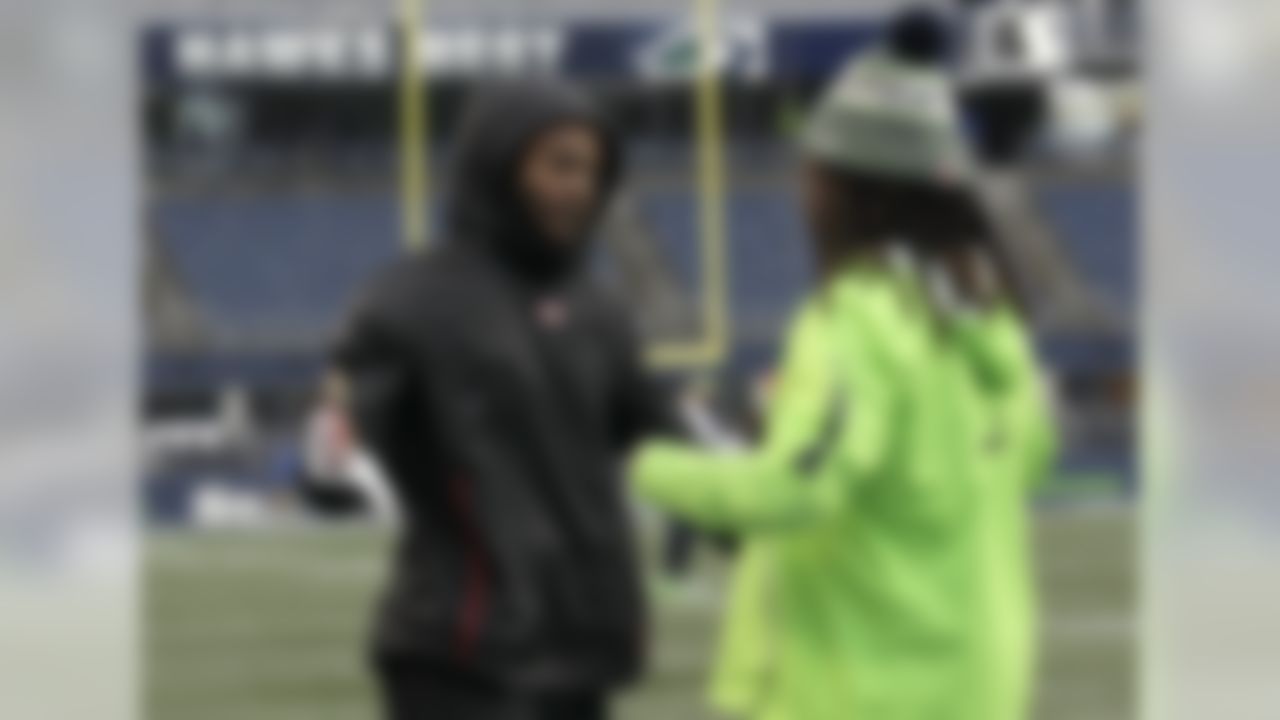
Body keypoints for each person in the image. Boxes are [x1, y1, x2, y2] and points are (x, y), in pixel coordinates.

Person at [628, 34, 1056, 720]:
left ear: (856, 188)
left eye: (815, 170)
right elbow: (1026, 460)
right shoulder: (988, 316)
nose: (804, 189)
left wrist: (636, 460)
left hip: (866, 690)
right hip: (978, 687)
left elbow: (797, 487)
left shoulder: (857, 322)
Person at [333, 79, 670, 720]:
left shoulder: (601, 310)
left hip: (579, 652)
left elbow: (667, 440)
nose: (581, 187)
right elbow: (346, 438)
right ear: (498, 162)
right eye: (560, 164)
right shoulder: (412, 298)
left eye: (594, 170)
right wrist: (334, 459)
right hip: (459, 651)